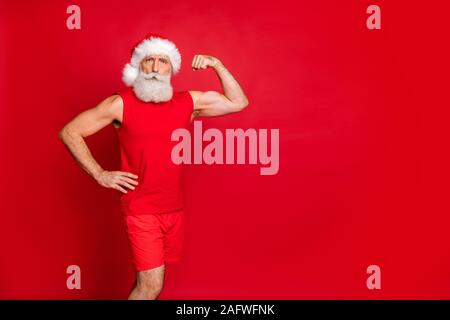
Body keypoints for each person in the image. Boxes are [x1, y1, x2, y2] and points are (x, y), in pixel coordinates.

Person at [58, 33, 249, 300]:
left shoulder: (187, 103)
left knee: (150, 285)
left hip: (173, 209)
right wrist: (99, 174)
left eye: (163, 60)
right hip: (141, 211)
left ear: (172, 68)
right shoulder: (120, 104)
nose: (157, 66)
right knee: (150, 288)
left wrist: (216, 64)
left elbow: (238, 102)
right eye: (150, 60)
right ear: (139, 66)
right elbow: (70, 132)